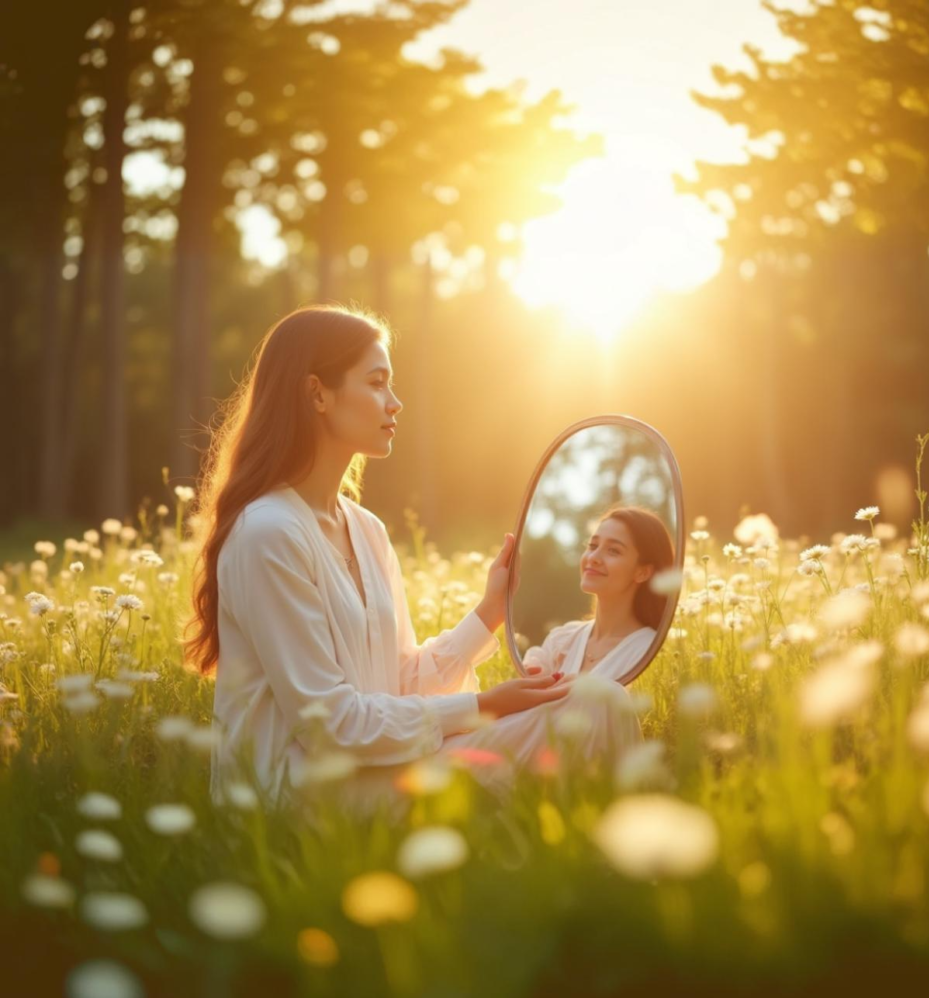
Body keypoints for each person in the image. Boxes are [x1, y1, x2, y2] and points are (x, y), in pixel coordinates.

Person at [182, 304, 639, 804]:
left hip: (378, 770)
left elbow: (400, 685)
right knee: (599, 711)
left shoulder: (366, 530)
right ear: (317, 393)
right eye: (377, 383)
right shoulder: (267, 533)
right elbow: (330, 725)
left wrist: (488, 613)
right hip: (302, 798)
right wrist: (484, 706)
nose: (395, 403)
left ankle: (600, 865)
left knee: (599, 703)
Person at [523, 507, 675, 682]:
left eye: (614, 551)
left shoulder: (650, 650)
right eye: (593, 546)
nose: (593, 557)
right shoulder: (562, 640)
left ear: (643, 572)